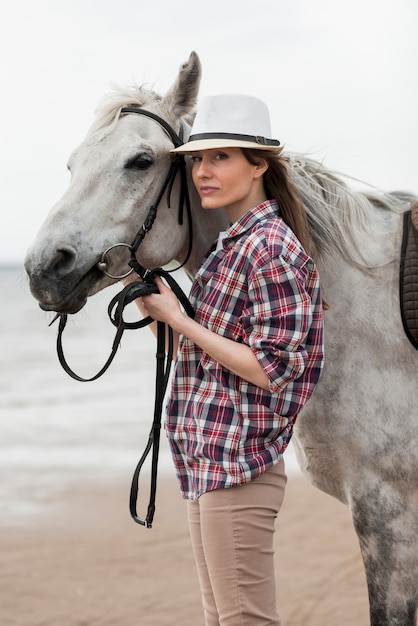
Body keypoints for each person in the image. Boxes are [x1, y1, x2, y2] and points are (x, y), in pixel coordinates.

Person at [137, 94, 324, 626]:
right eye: (198, 159)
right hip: (208, 463)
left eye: (220, 157)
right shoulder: (231, 246)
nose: (203, 172)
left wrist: (182, 319)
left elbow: (273, 369)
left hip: (238, 467)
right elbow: (203, 354)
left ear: (259, 163)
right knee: (221, 617)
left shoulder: (271, 248)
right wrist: (154, 306)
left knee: (245, 619)